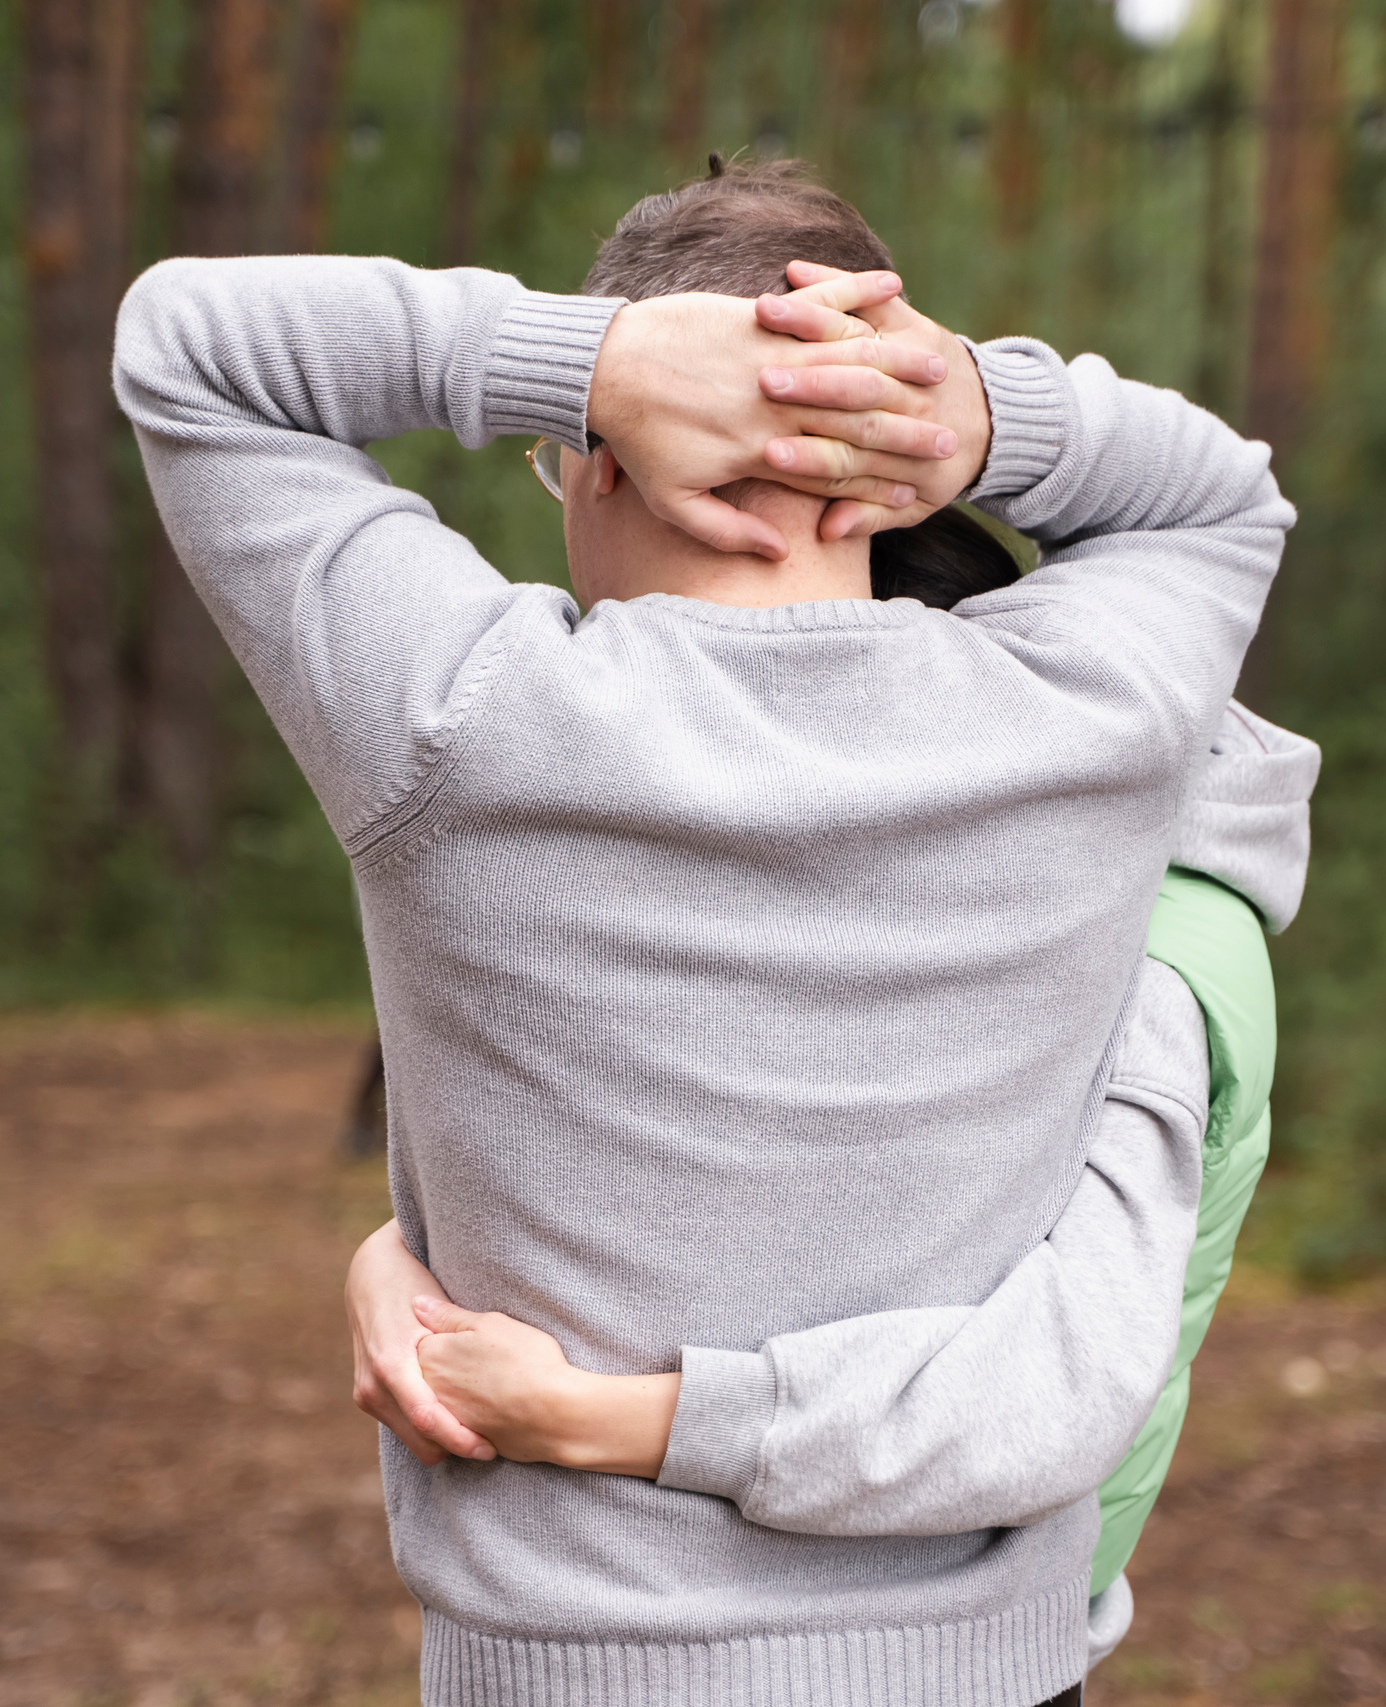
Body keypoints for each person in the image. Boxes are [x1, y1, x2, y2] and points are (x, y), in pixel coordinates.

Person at [115, 158, 1292, 1706]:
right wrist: (979, 420)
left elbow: (186, 347)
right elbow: (1223, 490)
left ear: (596, 458)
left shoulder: (462, 720)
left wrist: (587, 362)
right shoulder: (1098, 716)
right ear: (899, 463)